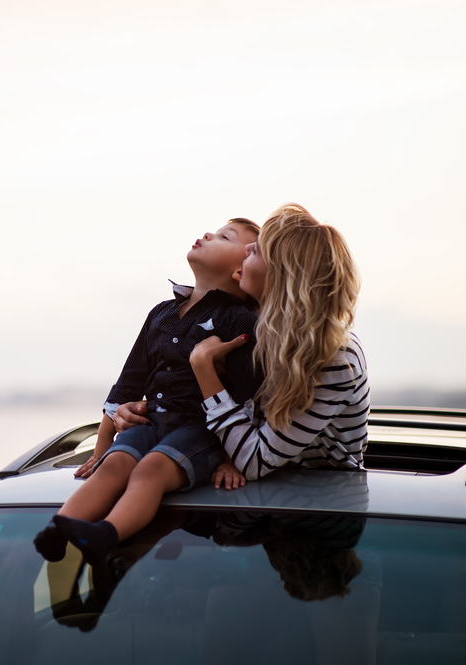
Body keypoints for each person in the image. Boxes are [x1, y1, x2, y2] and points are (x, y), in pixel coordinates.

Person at [33, 218, 264, 566]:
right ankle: (59, 528)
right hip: (150, 421)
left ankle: (108, 535)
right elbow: (129, 382)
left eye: (223, 237)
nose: (207, 234)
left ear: (238, 272)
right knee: (115, 464)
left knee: (149, 470)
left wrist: (233, 461)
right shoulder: (161, 313)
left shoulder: (238, 321)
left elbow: (249, 394)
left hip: (200, 431)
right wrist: (100, 449)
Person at [189, 203, 369, 483]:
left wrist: (203, 367)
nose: (247, 250)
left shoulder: (333, 356)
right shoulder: (247, 325)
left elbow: (255, 460)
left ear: (282, 274)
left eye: (257, 250)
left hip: (315, 509)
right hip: (248, 506)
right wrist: (141, 410)